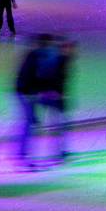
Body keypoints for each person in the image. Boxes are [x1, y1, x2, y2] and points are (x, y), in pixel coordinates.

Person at [15, 34, 69, 163]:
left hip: (37, 92)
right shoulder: (38, 56)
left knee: (53, 119)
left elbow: (51, 78)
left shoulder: (51, 57)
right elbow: (30, 77)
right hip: (28, 92)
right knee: (30, 122)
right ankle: (23, 154)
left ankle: (59, 150)